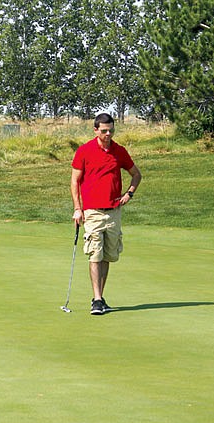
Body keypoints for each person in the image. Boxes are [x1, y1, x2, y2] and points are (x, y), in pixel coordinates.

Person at [70, 113, 142, 315]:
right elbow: (75, 181)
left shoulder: (119, 151)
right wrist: (77, 208)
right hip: (92, 211)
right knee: (95, 253)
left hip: (113, 212)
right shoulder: (84, 151)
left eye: (111, 130)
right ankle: (96, 299)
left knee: (108, 256)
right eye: (104, 131)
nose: (108, 134)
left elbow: (136, 174)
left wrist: (129, 194)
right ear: (95, 130)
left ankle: (100, 298)